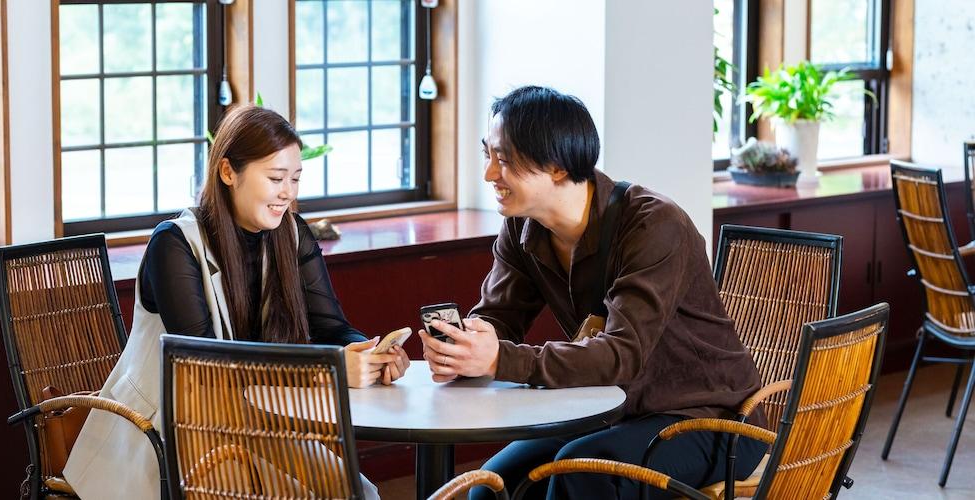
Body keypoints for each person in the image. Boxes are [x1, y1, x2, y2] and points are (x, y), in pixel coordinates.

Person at [418, 86, 768, 499]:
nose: (489, 173)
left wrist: (498, 358)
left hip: (711, 418)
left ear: (557, 167)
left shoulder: (652, 225)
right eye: (487, 154)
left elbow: (621, 354)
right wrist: (464, 346)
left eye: (505, 159)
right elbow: (500, 317)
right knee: (493, 488)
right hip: (612, 409)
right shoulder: (522, 227)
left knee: (579, 476)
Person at [64, 104, 408, 500]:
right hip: (169, 430)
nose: (288, 193)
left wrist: (366, 352)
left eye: (295, 179)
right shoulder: (174, 244)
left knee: (356, 492)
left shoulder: (290, 234)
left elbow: (330, 324)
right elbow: (206, 366)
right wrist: (325, 370)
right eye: (276, 178)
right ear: (228, 172)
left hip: (254, 421)